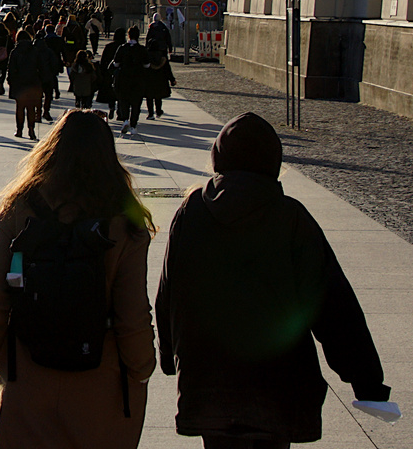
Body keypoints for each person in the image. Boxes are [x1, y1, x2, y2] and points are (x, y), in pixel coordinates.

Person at [156, 113, 391, 449]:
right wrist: (367, 384)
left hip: (209, 383)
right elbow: (334, 308)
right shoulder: (291, 218)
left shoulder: (191, 212)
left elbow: (169, 294)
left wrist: (170, 357)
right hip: (277, 386)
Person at [0, 109, 156, 449]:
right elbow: (132, 313)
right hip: (101, 382)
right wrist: (141, 367)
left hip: (29, 373)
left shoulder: (19, 209)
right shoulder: (125, 222)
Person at [6, 30, 44, 141]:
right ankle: (31, 130)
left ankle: (19, 130)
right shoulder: (34, 51)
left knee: (20, 108)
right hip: (32, 82)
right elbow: (41, 67)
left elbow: (11, 69)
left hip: (19, 83)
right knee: (31, 108)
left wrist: (11, 81)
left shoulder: (15, 51)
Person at [140, 44, 176, 123]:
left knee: (149, 97)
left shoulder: (146, 57)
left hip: (149, 79)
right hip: (160, 79)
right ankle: (158, 111)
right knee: (158, 97)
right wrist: (172, 79)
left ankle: (150, 114)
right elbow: (168, 70)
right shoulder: (162, 58)